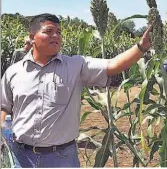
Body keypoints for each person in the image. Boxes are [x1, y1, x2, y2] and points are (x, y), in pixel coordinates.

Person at [1, 13, 152, 168]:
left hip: (61, 158)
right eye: (49, 31)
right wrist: (3, 133)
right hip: (22, 157)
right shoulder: (14, 72)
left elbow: (112, 65)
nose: (56, 35)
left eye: (59, 32)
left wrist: (141, 47)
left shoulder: (75, 66)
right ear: (32, 37)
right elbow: (4, 107)